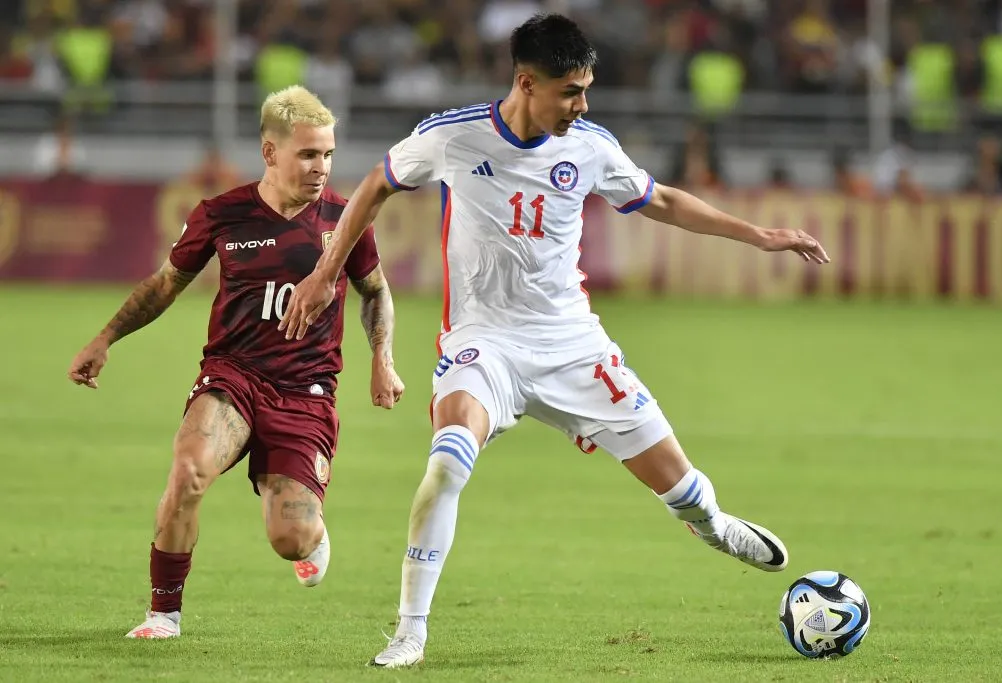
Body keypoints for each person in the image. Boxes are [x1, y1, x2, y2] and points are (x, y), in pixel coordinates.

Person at [281, 14, 829, 668]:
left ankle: (713, 524)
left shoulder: (590, 146)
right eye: (571, 91)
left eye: (586, 89)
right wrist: (323, 273)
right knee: (448, 462)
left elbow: (663, 200)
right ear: (526, 83)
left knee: (684, 491)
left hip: (574, 347)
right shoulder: (453, 137)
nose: (582, 104)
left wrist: (761, 235)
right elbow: (374, 186)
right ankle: (410, 631)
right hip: (484, 345)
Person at [67, 85, 404, 639]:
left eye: (328, 155)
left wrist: (382, 360)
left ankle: (313, 535)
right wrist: (105, 339)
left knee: (288, 539)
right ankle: (163, 615)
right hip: (233, 377)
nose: (321, 168)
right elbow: (164, 285)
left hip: (306, 391)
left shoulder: (346, 220)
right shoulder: (222, 216)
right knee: (189, 470)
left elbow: (376, 291)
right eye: (308, 154)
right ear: (271, 153)